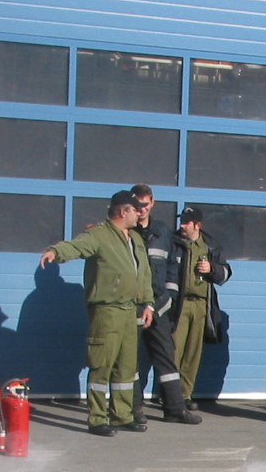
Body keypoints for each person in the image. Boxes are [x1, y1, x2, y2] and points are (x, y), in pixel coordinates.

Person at [39, 190, 154, 437]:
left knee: (126, 368)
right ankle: (97, 418)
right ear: (124, 211)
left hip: (129, 312)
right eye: (136, 209)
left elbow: (143, 274)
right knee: (101, 365)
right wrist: (55, 252)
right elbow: (76, 246)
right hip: (107, 311)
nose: (140, 212)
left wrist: (148, 303)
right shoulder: (99, 234)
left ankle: (122, 416)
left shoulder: (135, 238)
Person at [128, 184, 195, 424]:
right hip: (132, 307)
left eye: (146, 204)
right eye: (137, 205)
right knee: (130, 362)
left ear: (153, 203)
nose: (142, 209)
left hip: (159, 307)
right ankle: (134, 410)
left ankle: (175, 409)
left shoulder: (162, 231)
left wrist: (169, 299)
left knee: (167, 358)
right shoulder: (125, 230)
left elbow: (171, 268)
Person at [164, 207, 229, 410]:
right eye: (181, 221)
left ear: (197, 225)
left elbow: (225, 274)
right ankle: (170, 396)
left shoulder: (210, 246)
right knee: (174, 351)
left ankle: (185, 395)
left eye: (186, 222)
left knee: (193, 353)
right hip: (180, 305)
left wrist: (212, 269)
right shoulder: (173, 243)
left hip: (201, 305)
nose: (182, 225)